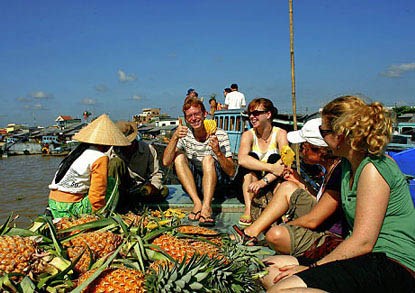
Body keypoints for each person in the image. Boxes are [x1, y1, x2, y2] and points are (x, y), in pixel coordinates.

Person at [269, 96, 415, 292]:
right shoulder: (347, 165)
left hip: (392, 263)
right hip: (364, 257)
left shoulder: (373, 169)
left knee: (282, 288)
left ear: (341, 135)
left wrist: (311, 268)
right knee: (270, 268)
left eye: (324, 131)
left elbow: (363, 242)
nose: (321, 137)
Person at [234, 118, 345, 257]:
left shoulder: (338, 172)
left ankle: (256, 233)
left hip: (330, 234)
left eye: (304, 147)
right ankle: (251, 232)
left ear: (320, 151)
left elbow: (314, 220)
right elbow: (320, 201)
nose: (301, 151)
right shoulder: (327, 168)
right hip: (323, 220)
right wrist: (299, 182)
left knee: (275, 235)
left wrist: (287, 226)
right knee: (288, 187)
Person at [162, 97, 236, 226]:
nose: (194, 118)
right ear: (186, 119)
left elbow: (231, 172)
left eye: (197, 114)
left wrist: (218, 152)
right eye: (189, 116)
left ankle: (206, 207)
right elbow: (166, 162)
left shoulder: (220, 134)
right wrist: (174, 137)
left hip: (217, 183)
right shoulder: (185, 135)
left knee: (208, 159)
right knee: (178, 156)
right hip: (197, 184)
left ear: (205, 114)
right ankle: (197, 202)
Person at [48, 114, 131, 218]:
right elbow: (97, 194)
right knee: (110, 183)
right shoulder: (100, 157)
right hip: (70, 208)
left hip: (54, 204)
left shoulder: (76, 152)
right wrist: (98, 213)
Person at [236, 98, 288, 226]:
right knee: (251, 158)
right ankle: (249, 208)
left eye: (256, 113)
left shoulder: (280, 133)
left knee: (276, 158)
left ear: (268, 114)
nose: (252, 117)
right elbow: (242, 159)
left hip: (271, 182)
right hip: (251, 184)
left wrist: (264, 181)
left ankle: (278, 208)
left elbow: (285, 161)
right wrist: (271, 167)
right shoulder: (248, 135)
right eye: (250, 114)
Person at [107, 121, 166, 212]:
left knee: (163, 192)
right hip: (120, 190)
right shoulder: (111, 152)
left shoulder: (148, 150)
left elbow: (156, 173)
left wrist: (154, 186)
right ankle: (115, 206)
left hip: (140, 189)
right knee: (115, 162)